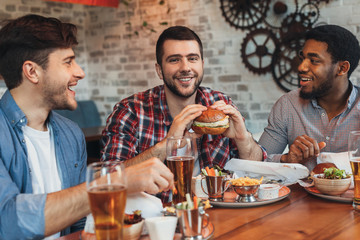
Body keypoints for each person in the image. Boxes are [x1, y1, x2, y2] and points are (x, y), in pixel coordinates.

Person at [0, 14, 173, 239]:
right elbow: (8, 220)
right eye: (68, 62)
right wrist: (115, 182)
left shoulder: (71, 134)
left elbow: (79, 223)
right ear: (32, 72)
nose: (80, 72)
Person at [101, 26, 265, 185]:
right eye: (174, 60)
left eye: (192, 58)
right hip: (158, 210)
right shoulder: (131, 110)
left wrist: (243, 138)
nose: (185, 68)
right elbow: (107, 179)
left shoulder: (221, 104)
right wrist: (168, 143)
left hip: (218, 209)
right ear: (159, 70)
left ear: (202, 64)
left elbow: (258, 170)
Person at [258, 24, 360, 170]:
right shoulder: (287, 105)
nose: (301, 67)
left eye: (314, 61)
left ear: (342, 68)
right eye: (303, 58)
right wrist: (287, 159)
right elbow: (259, 162)